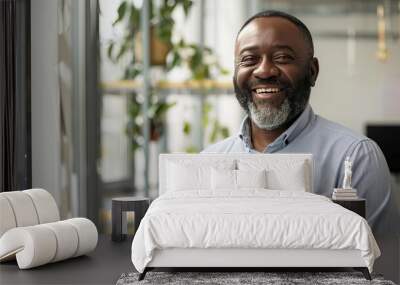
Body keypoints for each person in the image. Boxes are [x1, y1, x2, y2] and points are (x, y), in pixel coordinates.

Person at [202, 10, 399, 234]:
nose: (264, 70)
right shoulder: (209, 162)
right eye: (249, 59)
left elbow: (384, 262)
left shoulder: (356, 158)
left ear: (312, 72)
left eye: (282, 58)